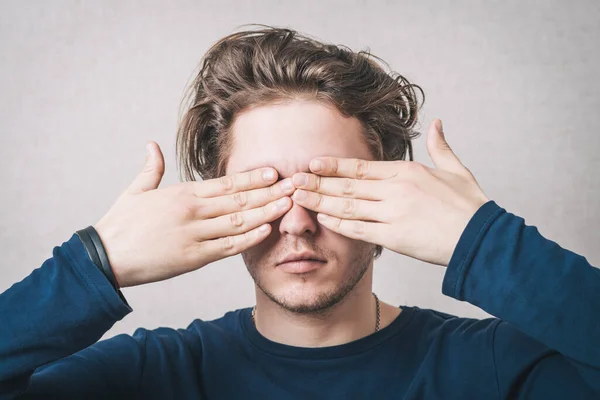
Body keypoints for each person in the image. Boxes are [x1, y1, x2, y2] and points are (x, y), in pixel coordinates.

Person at [1, 26, 598, 400]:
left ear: (392, 191)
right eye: (265, 189)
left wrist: (484, 243)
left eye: (329, 186)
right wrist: (92, 267)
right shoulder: (146, 376)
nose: (296, 222)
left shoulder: (493, 369)